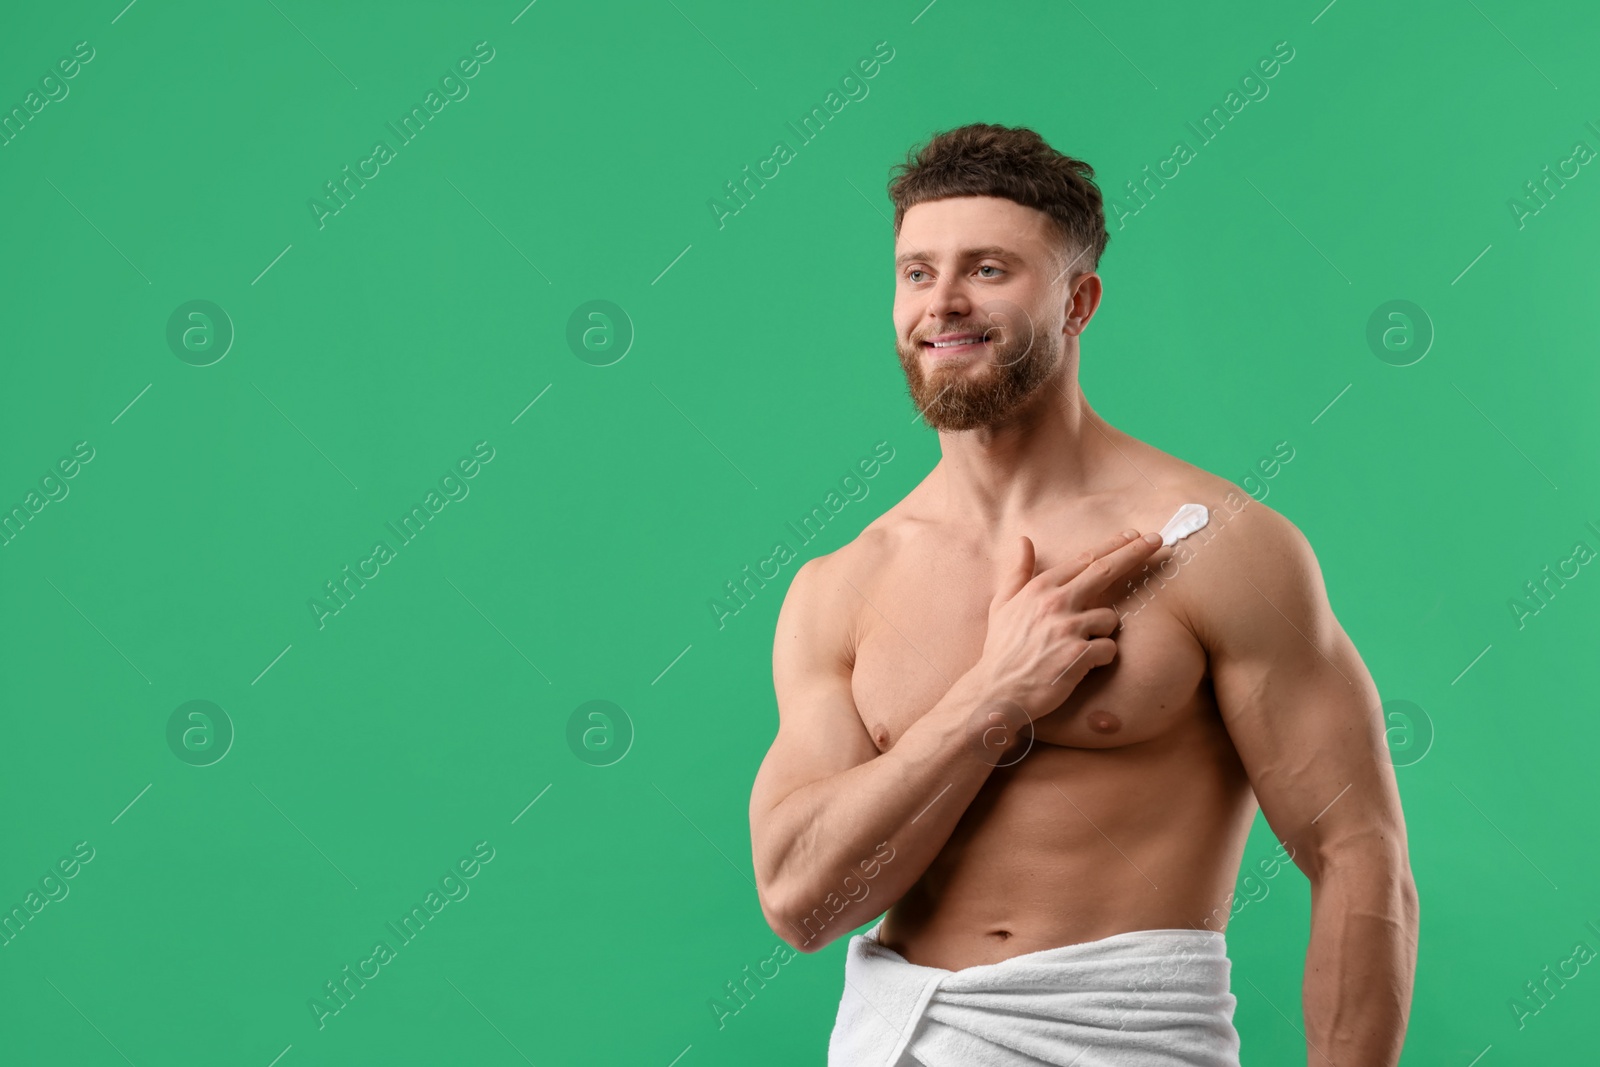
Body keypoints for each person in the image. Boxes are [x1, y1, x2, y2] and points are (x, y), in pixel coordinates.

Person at [747, 123, 1418, 1066]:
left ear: (1078, 301)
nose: (942, 302)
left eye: (987, 270)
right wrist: (995, 693)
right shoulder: (843, 585)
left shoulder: (1218, 545)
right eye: (915, 272)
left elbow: (1359, 852)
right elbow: (802, 901)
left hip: (1127, 1041)